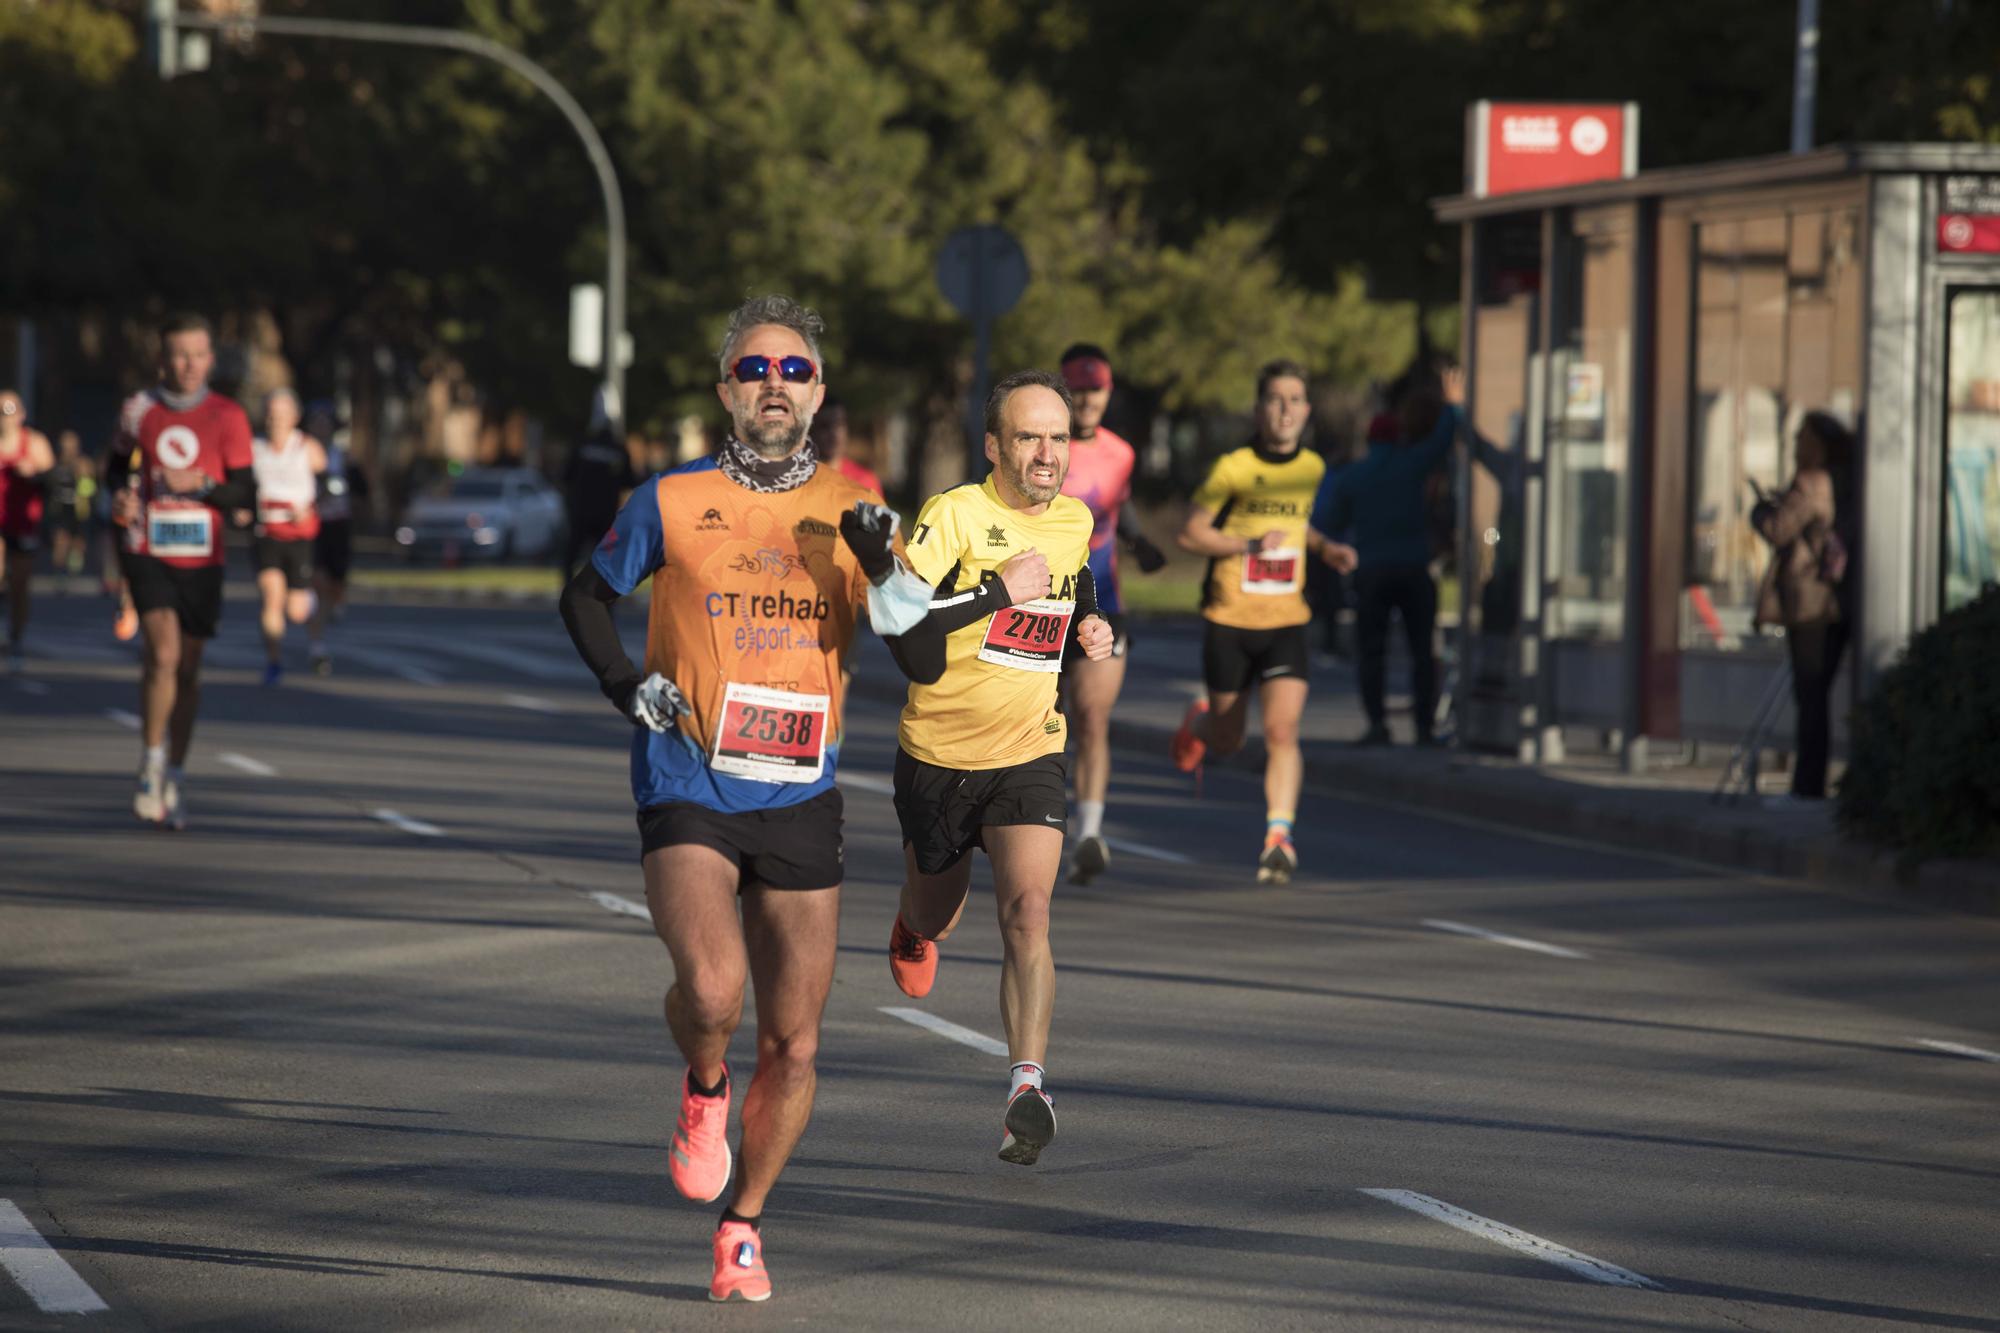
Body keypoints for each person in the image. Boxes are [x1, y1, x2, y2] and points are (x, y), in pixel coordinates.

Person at [558, 294, 942, 1304]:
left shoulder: (856, 505)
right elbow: (585, 594)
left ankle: (744, 1225)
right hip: (687, 774)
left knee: (798, 1040)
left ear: (818, 395)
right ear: (727, 390)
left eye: (794, 371)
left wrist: (886, 569)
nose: (774, 384)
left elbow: (926, 657)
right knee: (716, 991)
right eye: (754, 369)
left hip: (802, 792)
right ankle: (703, 1085)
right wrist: (623, 685)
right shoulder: (670, 501)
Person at [885, 369, 1114, 1167]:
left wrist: (1089, 624)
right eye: (1029, 436)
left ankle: (1027, 1084)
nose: (1048, 452)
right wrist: (992, 589)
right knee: (938, 913)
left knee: (1029, 912)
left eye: (1058, 436)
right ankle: (914, 925)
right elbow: (900, 623)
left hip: (1030, 750)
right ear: (994, 446)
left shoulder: (1076, 520)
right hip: (938, 757)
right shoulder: (953, 515)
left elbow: (1075, 584)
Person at [1169, 360, 1357, 884]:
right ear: (1258, 409)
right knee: (1228, 741)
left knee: (1281, 730)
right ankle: (1200, 723)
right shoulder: (1232, 467)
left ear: (1307, 411)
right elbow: (1190, 533)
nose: (1285, 410)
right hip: (1230, 617)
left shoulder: (1313, 468)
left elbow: (1297, 527)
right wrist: (1249, 545)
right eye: (1276, 400)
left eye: (1295, 400)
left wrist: (1326, 547)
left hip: (1286, 619)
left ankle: (1279, 835)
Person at [109, 314, 257, 830]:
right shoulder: (140, 410)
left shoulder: (228, 415)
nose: (189, 365)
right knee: (163, 654)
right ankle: (150, 763)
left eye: (198, 354)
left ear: (211, 360)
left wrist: (201, 484)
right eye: (179, 354)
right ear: (162, 360)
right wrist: (122, 496)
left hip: (203, 554)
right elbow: (115, 468)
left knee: (189, 670)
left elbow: (245, 492)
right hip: (146, 545)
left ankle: (176, 771)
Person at [1054, 343, 1166, 883]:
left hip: (1103, 604)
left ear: (1108, 392)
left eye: (1095, 388)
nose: (1086, 398)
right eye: (1077, 387)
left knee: (1093, 718)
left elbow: (1121, 507)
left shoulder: (1121, 453)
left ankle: (1090, 833)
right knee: (1041, 722)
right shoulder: (1041, 448)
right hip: (1041, 606)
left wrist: (1141, 544)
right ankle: (1030, 825)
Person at [1318, 366, 1466, 747]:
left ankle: (1377, 725)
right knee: (1421, 651)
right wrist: (1453, 406)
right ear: (1397, 436)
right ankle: (1423, 727)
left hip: (1371, 570)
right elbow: (1442, 441)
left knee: (1372, 651)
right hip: (1415, 567)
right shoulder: (1412, 463)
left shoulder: (1354, 476)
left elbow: (1331, 521)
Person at [1753, 411, 1856, 801]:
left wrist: (1760, 511)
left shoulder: (1812, 483)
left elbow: (1778, 528)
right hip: (1842, 602)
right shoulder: (1852, 479)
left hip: (1811, 602)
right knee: (1818, 693)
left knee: (1810, 695)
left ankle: (1808, 783)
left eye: (1801, 437)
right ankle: (1813, 780)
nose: (1796, 443)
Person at [249, 388, 327, 685]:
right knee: (271, 597)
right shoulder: (254, 448)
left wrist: (310, 508)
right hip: (266, 532)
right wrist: (243, 510)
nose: (275, 421)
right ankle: (274, 661)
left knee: (296, 611)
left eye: (282, 415)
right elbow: (242, 486)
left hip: (300, 534)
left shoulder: (308, 448)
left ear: (294, 417)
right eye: (270, 414)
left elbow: (330, 486)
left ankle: (312, 615)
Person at [0, 391, 56, 669]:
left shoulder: (33, 443)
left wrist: (34, 474)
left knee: (20, 585)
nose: (5, 418)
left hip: (23, 522)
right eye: (1, 412)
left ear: (21, 415)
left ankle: (16, 637)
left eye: (10, 412)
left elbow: (54, 479)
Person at [560, 387, 638, 579]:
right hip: (606, 512)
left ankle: (569, 591)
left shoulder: (583, 444)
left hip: (581, 510)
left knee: (572, 554)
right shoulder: (618, 448)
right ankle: (603, 598)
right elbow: (629, 482)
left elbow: (566, 476)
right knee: (606, 558)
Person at [307, 418, 362, 674]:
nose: (321, 430)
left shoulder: (343, 456)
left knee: (338, 581)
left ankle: (336, 602)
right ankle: (317, 647)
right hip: (314, 524)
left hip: (339, 524)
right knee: (317, 583)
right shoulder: (302, 454)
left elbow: (361, 489)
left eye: (325, 426)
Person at [808, 393, 883, 498]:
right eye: (824, 426)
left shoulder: (865, 482)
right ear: (810, 431)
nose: (834, 433)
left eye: (839, 424)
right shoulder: (797, 480)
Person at [44, 430, 90, 576]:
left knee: (78, 541)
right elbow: (48, 485)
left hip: (79, 509)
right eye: (65, 445)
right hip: (59, 509)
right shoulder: (55, 464)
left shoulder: (84, 464)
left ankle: (74, 570)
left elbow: (88, 489)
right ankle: (58, 571)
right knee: (60, 539)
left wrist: (82, 475)